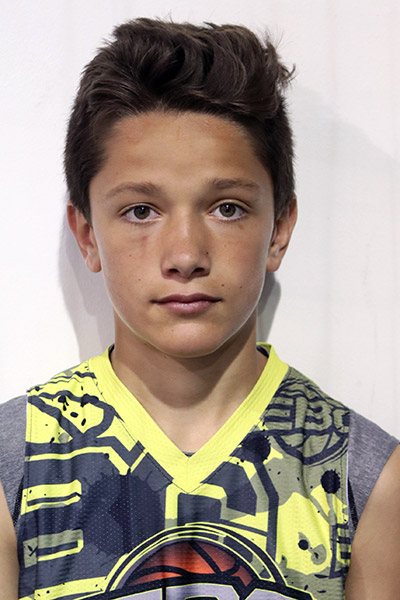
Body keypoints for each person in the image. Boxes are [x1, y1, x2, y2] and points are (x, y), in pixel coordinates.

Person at [0, 17, 399, 600]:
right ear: (87, 235)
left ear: (279, 229)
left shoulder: (366, 478)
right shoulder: (15, 465)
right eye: (140, 211)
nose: (186, 255)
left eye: (227, 208)